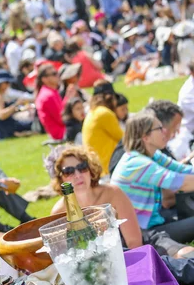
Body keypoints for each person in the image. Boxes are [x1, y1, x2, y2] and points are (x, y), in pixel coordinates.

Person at [111, 111, 194, 252]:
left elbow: (183, 170)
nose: (165, 131)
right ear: (145, 137)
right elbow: (180, 183)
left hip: (156, 220)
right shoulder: (137, 163)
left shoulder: (152, 155)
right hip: (144, 232)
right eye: (159, 128)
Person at [48, 146, 143, 249]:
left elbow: (135, 242)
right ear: (61, 179)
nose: (78, 175)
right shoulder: (59, 212)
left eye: (82, 167)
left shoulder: (113, 194)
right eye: (69, 171)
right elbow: (61, 254)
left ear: (90, 170)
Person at [82, 81, 123, 176]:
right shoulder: (104, 113)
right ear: (109, 97)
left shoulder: (92, 112)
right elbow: (125, 139)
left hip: (97, 168)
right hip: (107, 170)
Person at [0, 70, 32, 139]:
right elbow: (1, 115)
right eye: (6, 82)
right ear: (0, 83)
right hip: (5, 126)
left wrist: (20, 109)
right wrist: (16, 104)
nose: (8, 85)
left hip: (0, 125)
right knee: (32, 126)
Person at [35, 64, 71, 140]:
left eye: (57, 72)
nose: (58, 75)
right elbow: (62, 119)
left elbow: (61, 110)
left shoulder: (50, 91)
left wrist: (68, 96)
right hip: (61, 133)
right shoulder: (48, 96)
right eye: (54, 74)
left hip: (61, 131)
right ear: (44, 79)